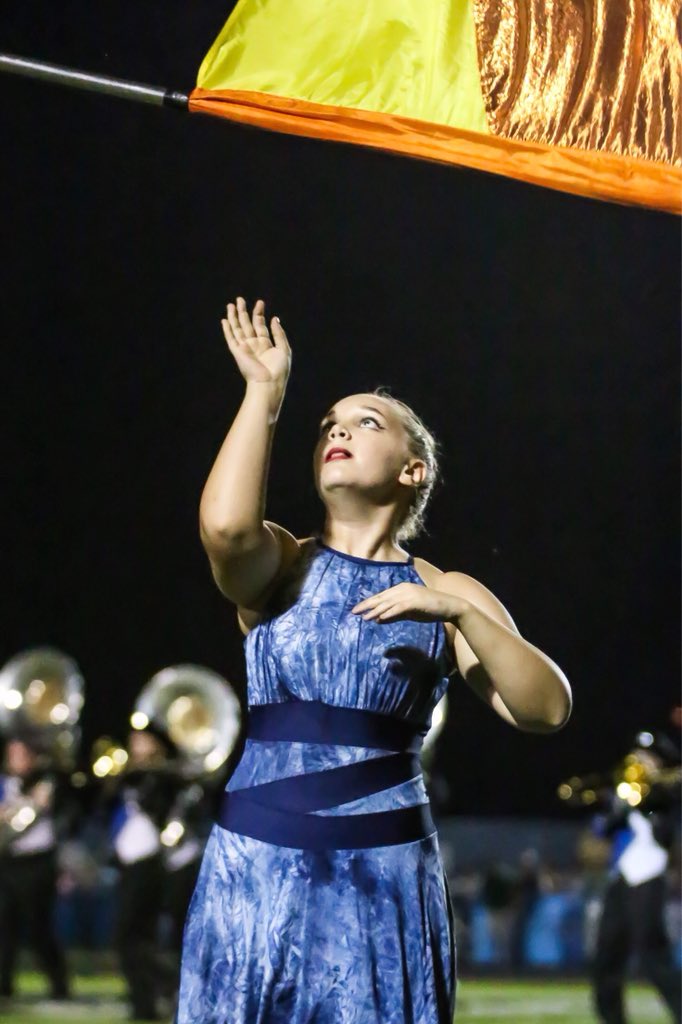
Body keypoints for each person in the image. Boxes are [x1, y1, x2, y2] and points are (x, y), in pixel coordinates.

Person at [177, 296, 572, 1023]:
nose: (339, 430)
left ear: (414, 470)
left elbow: (545, 708)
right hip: (255, 860)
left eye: (367, 422)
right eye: (330, 422)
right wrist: (264, 394)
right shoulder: (285, 564)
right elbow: (226, 528)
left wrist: (459, 614)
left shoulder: (443, 588)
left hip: (383, 873)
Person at [592, 742, 681, 1024]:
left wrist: (646, 798)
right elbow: (604, 830)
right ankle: (612, 1018)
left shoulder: (665, 793)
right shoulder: (626, 794)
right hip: (621, 877)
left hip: (649, 877)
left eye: (646, 758)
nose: (640, 763)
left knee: (653, 957)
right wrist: (620, 804)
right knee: (606, 956)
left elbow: (665, 834)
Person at [107, 721, 181, 1021]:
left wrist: (143, 772)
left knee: (127, 936)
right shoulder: (132, 777)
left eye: (141, 740)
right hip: (127, 865)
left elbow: (160, 803)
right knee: (136, 939)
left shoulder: (163, 775)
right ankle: (144, 1005)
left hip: (148, 864)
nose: (134, 745)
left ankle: (172, 984)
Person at [0, 732, 73, 1003]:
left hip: (38, 861)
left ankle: (59, 984)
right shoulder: (5, 783)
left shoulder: (46, 781)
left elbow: (59, 801)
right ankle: (4, 986)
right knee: (4, 924)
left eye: (21, 754)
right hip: (9, 860)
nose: (15, 760)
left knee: (38, 926)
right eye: (12, 754)